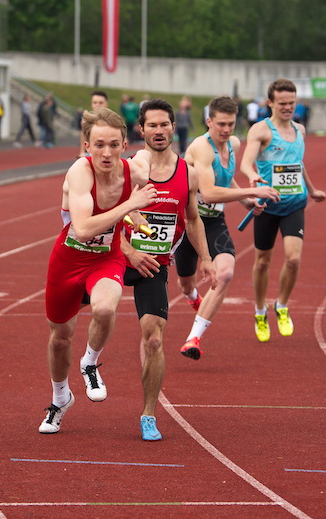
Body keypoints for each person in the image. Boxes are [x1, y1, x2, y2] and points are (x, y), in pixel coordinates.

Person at [39, 107, 157, 435]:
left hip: (107, 258)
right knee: (60, 338)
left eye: (114, 145)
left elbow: (146, 159)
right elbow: (84, 227)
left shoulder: (133, 172)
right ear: (87, 146)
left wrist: (136, 215)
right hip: (68, 259)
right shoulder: (80, 171)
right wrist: (130, 208)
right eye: (99, 145)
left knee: (105, 308)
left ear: (123, 145)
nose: (107, 152)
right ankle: (60, 398)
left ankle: (90, 363)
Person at [120, 99, 218, 440]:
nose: (159, 131)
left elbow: (192, 219)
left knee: (154, 341)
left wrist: (206, 258)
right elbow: (104, 218)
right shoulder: (128, 170)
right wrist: (130, 251)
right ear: (141, 129)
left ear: (174, 127)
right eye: (152, 125)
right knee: (66, 325)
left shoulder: (186, 174)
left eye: (164, 125)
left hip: (154, 264)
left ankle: (149, 415)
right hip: (116, 256)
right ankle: (71, 384)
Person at [176, 96, 279, 358]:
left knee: (225, 274)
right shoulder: (201, 148)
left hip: (213, 221)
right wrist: (254, 189)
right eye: (220, 123)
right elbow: (209, 192)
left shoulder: (232, 143)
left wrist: (247, 201)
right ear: (209, 121)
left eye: (231, 124)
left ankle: (193, 339)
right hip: (188, 220)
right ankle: (193, 299)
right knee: (185, 283)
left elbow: (226, 177)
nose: (225, 130)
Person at [240, 78, 326, 342]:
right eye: (282, 103)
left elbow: (298, 165)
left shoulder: (300, 130)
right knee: (263, 262)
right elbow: (245, 163)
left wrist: (311, 190)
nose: (288, 107)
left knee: (293, 258)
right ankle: (259, 311)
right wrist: (252, 179)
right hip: (268, 205)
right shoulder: (261, 130)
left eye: (291, 103)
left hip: (295, 204)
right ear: (270, 103)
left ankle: (282, 305)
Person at [78, 90, 109, 157]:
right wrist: (82, 152)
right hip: (90, 152)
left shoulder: (111, 120)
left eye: (101, 103)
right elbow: (83, 136)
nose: (97, 105)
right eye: (95, 102)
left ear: (106, 104)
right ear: (91, 104)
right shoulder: (86, 120)